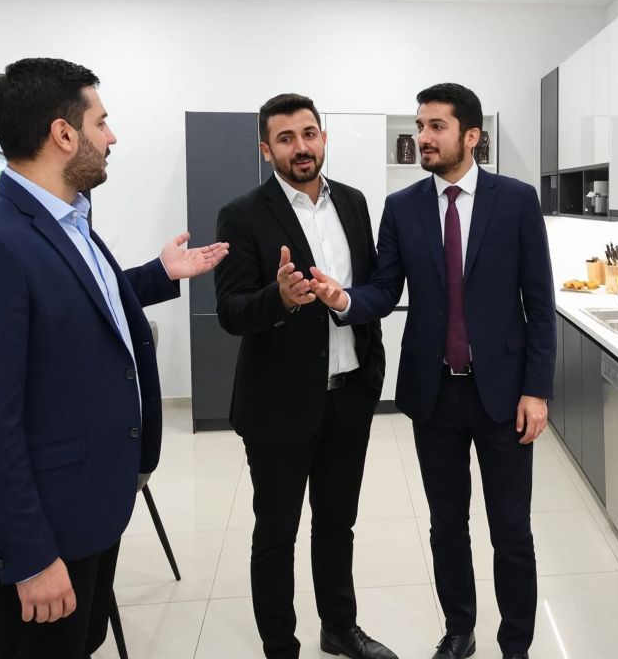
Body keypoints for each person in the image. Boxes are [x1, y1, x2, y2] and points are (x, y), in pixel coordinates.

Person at [0, 57, 227, 657]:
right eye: (102, 122)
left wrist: (160, 274)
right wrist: (31, 556)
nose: (111, 137)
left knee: (82, 642)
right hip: (46, 525)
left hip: (92, 503)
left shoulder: (69, 222)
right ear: (63, 135)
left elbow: (81, 307)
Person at [310, 83, 556, 659]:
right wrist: (341, 299)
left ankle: (516, 643)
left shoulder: (516, 201)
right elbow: (383, 289)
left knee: (511, 531)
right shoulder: (403, 207)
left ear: (472, 136)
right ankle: (459, 629)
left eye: (436, 126)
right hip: (433, 394)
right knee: (447, 525)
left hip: (503, 395)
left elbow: (540, 305)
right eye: (420, 125)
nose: (423, 136)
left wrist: (536, 391)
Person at [213, 93, 396, 659]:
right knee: (276, 535)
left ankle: (339, 627)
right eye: (286, 138)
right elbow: (230, 311)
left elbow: (369, 291)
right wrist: (281, 298)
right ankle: (280, 646)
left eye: (309, 134)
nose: (301, 147)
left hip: (349, 396)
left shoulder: (356, 204)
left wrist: (345, 300)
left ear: (323, 137)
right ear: (266, 149)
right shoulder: (242, 214)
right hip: (279, 405)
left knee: (337, 524)